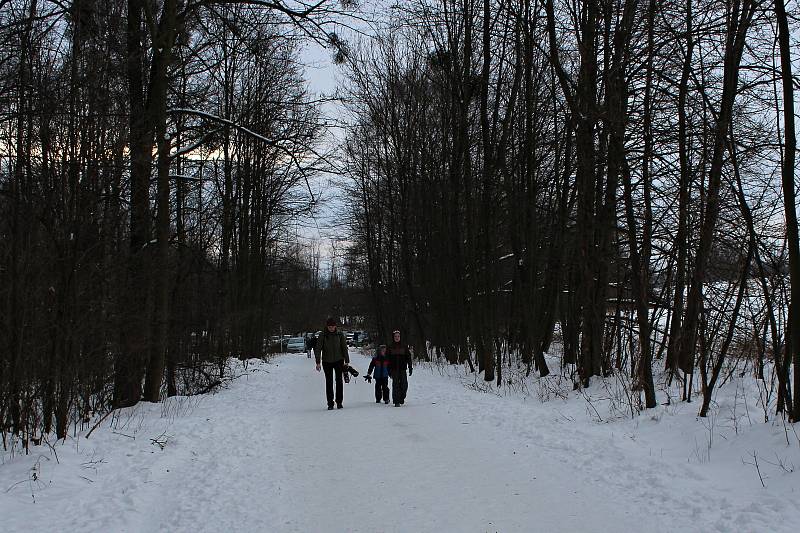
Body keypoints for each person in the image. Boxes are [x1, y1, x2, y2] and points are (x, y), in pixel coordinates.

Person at [315, 317, 350, 410]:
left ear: (335, 326)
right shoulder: (323, 335)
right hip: (327, 361)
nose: (331, 328)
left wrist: (347, 360)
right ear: (327, 327)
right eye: (330, 327)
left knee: (339, 381)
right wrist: (318, 362)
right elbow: (318, 349)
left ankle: (339, 402)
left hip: (339, 360)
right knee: (329, 382)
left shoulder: (339, 334)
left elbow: (344, 347)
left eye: (333, 326)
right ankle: (330, 403)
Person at [387, 330, 412, 406]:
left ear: (400, 337)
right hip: (394, 369)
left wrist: (410, 367)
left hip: (402, 369)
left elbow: (408, 358)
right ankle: (396, 401)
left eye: (398, 336)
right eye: (395, 336)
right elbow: (387, 360)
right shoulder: (390, 347)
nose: (397, 338)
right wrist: (389, 370)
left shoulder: (404, 346)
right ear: (393, 337)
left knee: (404, 385)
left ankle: (402, 397)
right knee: (395, 385)